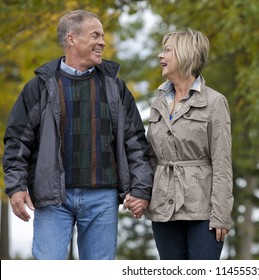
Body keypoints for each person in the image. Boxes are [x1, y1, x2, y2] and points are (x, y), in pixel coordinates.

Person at [2, 10, 153, 260]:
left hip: (103, 198)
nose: (102, 42)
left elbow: (135, 141)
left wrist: (141, 189)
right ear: (72, 39)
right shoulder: (40, 86)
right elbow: (17, 141)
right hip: (52, 198)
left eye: (103, 36)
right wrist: (16, 187)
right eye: (95, 35)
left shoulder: (115, 86)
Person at [145, 28, 234, 260]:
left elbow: (222, 163)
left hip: (203, 212)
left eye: (166, 50)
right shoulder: (158, 103)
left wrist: (221, 214)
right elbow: (151, 157)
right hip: (163, 210)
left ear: (185, 54)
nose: (160, 56)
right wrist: (141, 195)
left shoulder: (215, 102)